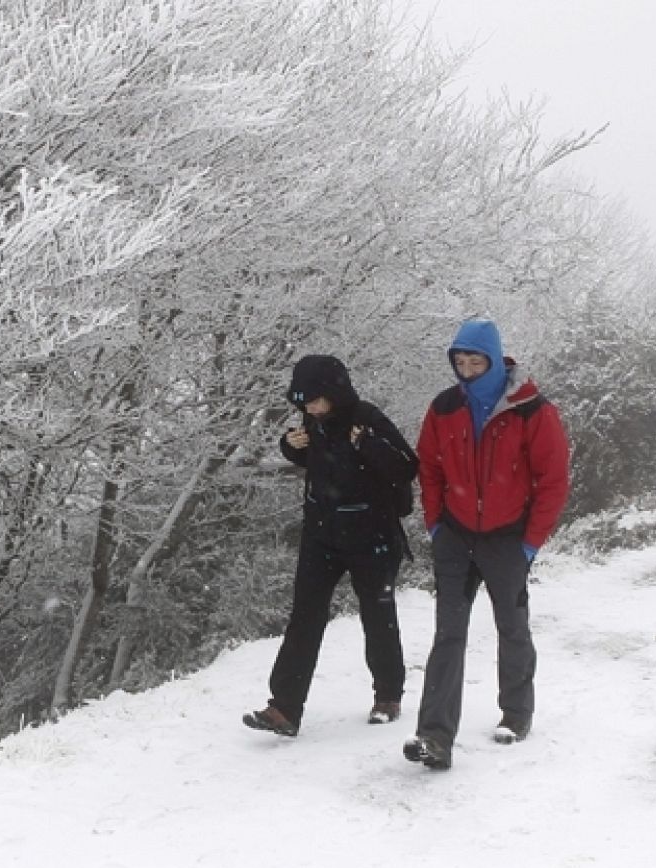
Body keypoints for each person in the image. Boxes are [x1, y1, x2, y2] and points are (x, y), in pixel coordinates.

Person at [403, 318, 570, 770]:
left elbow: (552, 480)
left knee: (511, 627)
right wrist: (436, 524)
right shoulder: (444, 407)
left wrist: (531, 542)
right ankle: (434, 737)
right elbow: (430, 468)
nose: (467, 368)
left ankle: (516, 714)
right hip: (455, 535)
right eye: (460, 361)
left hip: (507, 539)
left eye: (475, 360)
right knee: (448, 634)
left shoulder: (531, 410)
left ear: (495, 360)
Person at [244, 354, 418, 738]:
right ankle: (284, 708)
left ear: (335, 393)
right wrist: (289, 446)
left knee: (377, 615)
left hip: (371, 534)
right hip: (322, 533)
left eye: (315, 400)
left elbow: (407, 466)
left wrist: (369, 444)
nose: (310, 409)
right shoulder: (314, 422)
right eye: (303, 402)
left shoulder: (367, 419)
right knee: (304, 617)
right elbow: (317, 462)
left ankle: (388, 695)